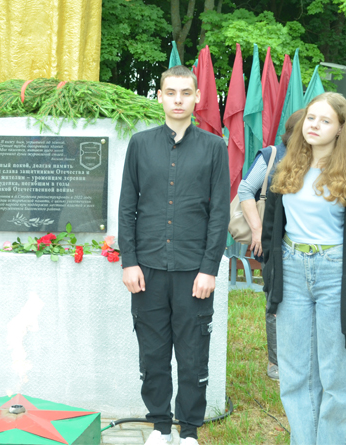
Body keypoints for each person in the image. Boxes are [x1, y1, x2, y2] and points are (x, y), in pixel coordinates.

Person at [261, 92, 346, 444]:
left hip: (336, 275)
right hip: (292, 270)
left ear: (340, 130)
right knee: (296, 374)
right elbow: (272, 230)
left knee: (334, 378)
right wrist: (272, 273)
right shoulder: (287, 167)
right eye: (310, 118)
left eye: (325, 120)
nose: (314, 125)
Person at [119, 65, 229, 445]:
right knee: (152, 353)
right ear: (161, 96)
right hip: (147, 269)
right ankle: (160, 427)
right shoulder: (140, 144)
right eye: (171, 92)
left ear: (198, 97)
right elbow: (126, 208)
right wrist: (128, 261)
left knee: (193, 354)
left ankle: (189, 431)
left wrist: (209, 269)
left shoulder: (215, 148)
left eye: (186, 92)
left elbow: (219, 214)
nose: (178, 99)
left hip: (193, 272)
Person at [236, 109, 305, 381]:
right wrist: (257, 230)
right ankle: (276, 362)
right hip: (273, 241)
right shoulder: (272, 155)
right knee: (276, 298)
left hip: (306, 244)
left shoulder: (323, 161)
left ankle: (299, 357)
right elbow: (245, 190)